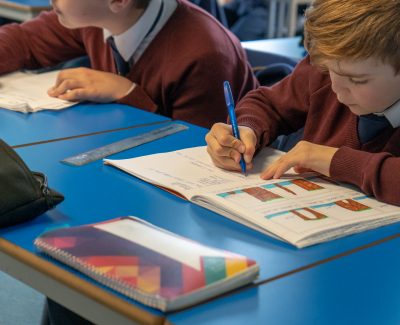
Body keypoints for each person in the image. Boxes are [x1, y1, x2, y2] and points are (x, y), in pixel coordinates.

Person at [205, 0, 400, 206]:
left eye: (357, 80)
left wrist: (334, 161)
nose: (336, 88)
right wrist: (247, 129)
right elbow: (268, 104)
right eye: (328, 70)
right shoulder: (328, 66)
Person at [0, 0, 257, 128]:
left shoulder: (204, 54)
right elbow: (24, 42)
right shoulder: (93, 18)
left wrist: (126, 92)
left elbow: (197, 152)